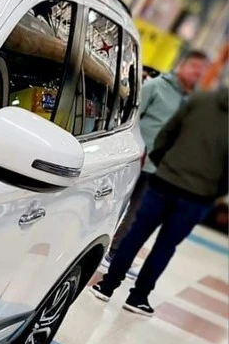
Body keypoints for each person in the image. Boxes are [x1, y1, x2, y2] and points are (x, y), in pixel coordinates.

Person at [92, 85, 229, 315]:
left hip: (164, 181)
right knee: (165, 247)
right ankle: (138, 298)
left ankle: (106, 286)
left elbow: (168, 133)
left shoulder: (199, 100)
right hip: (197, 196)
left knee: (135, 235)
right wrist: (213, 192)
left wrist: (162, 163)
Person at [109, 49, 210, 254]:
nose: (198, 73)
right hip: (136, 157)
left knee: (138, 212)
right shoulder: (155, 86)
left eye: (203, 70)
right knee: (113, 205)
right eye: (194, 67)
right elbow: (131, 118)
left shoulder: (196, 101)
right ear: (182, 65)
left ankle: (116, 250)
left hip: (161, 168)